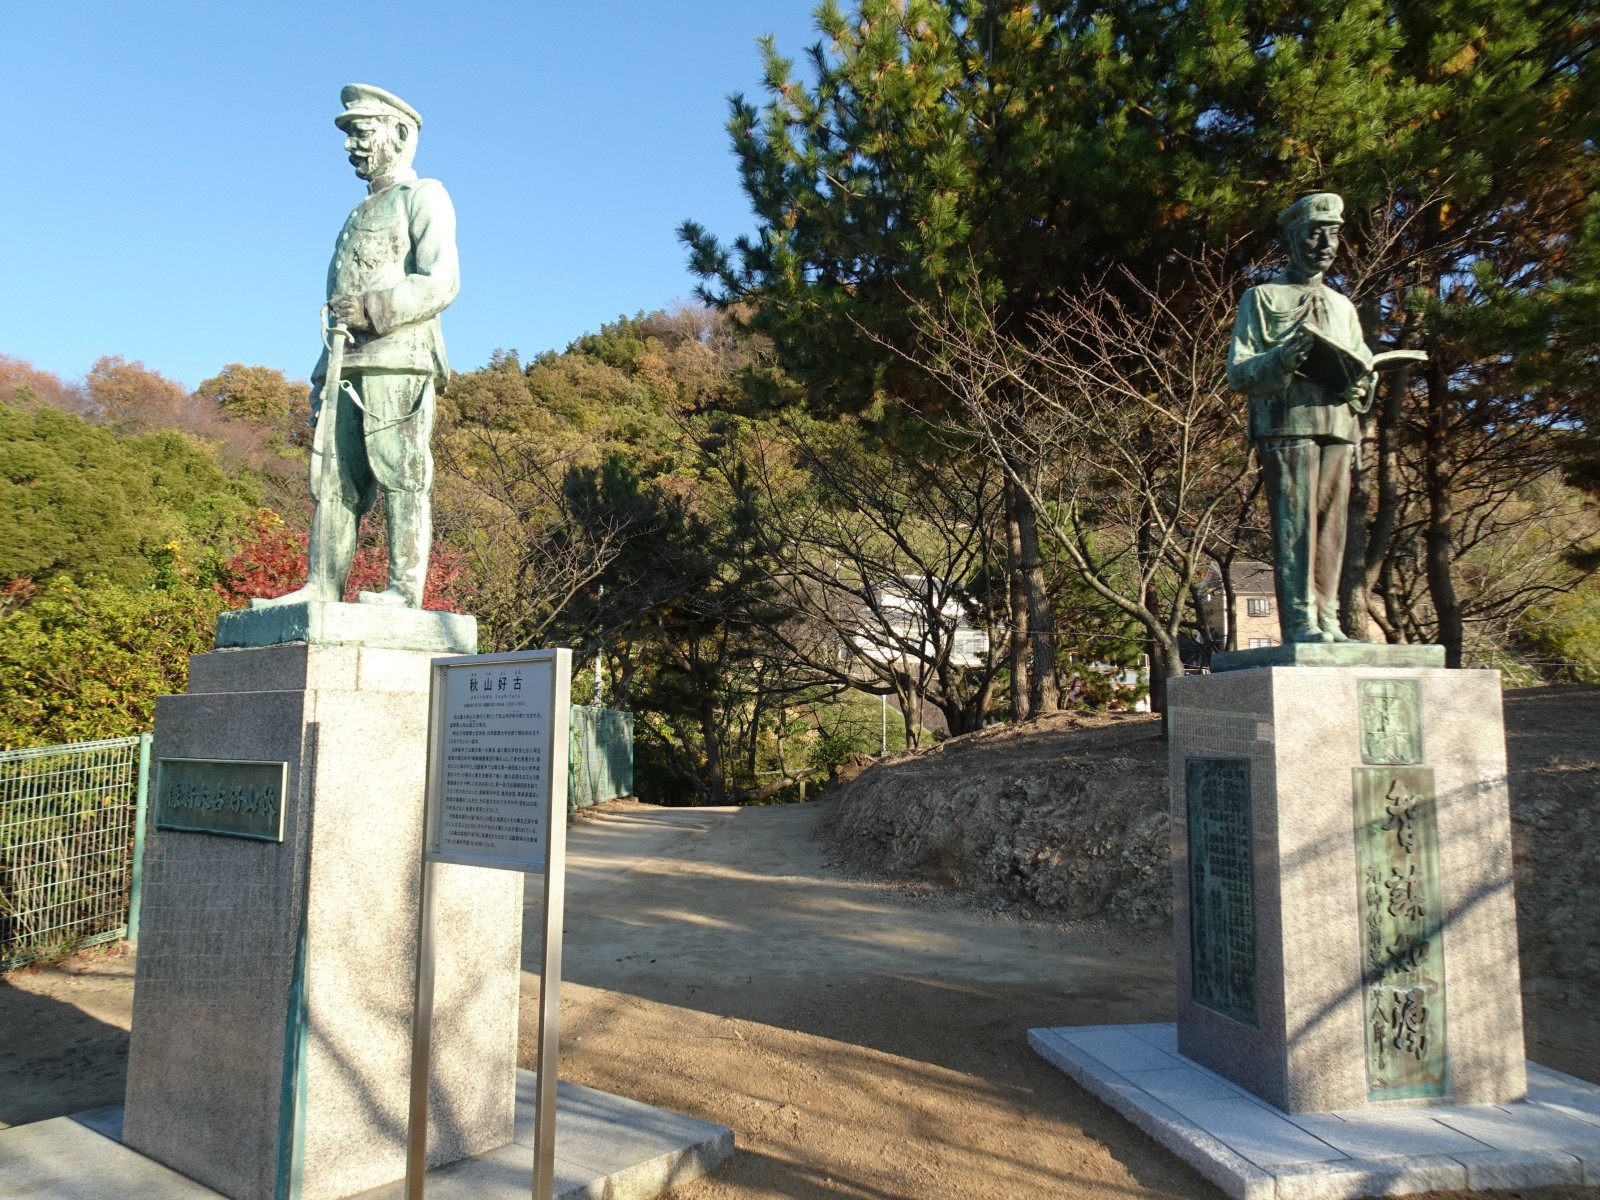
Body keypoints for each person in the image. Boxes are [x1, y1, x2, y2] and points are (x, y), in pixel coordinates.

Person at [255, 84, 459, 611]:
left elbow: (441, 280)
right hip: (343, 360)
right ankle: (321, 585)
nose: (352, 147)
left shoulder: (424, 196)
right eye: (349, 136)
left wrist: (373, 309)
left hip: (398, 355)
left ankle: (403, 589)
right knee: (332, 476)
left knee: (401, 471)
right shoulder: (356, 213)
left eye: (361, 132)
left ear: (399, 133)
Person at [1227, 192, 1373, 644]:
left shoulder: (1344, 307)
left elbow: (1361, 367)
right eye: (1314, 233)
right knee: (1297, 525)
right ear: (1292, 239)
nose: (1326, 244)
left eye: (1333, 234)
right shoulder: (1263, 298)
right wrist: (1283, 360)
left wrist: (1360, 386)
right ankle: (1298, 623)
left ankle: (1328, 620)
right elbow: (1240, 372)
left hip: (1338, 425)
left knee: (1332, 527)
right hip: (1286, 423)